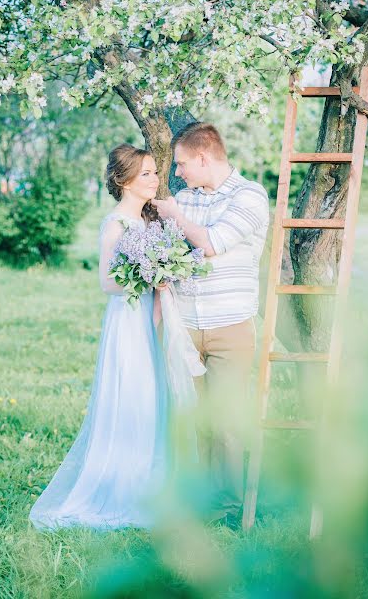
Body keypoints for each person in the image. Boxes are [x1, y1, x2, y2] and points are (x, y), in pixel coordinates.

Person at [29, 144, 172, 531]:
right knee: (132, 395)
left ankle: (150, 483)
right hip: (128, 319)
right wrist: (150, 272)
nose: (155, 180)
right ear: (122, 180)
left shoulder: (150, 221)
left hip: (151, 317)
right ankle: (121, 487)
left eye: (155, 173)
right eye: (147, 174)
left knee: (152, 397)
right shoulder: (115, 224)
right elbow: (108, 282)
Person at [152, 123, 269, 527]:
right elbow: (171, 251)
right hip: (185, 326)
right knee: (197, 418)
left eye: (182, 163)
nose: (178, 172)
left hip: (229, 327)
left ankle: (232, 506)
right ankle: (205, 500)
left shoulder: (250, 195)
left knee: (226, 423)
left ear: (203, 157)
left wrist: (175, 216)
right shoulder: (185, 198)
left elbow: (211, 243)